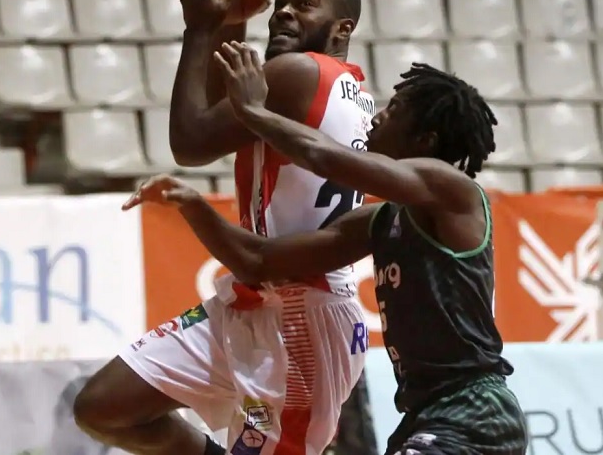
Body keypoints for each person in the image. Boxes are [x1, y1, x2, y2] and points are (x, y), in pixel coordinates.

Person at [131, 44, 528, 455]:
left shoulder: (452, 190)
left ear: (424, 140)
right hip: (426, 413)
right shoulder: (380, 221)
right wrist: (193, 206)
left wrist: (254, 111)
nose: (376, 119)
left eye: (392, 113)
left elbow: (322, 155)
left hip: (473, 410)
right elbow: (260, 261)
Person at [73, 0, 375, 455]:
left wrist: (198, 27)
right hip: (255, 295)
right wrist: (230, 19)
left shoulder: (298, 72)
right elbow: (218, 117)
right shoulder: (342, 86)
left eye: (303, 3)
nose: (283, 11)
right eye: (279, 1)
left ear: (342, 27)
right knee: (104, 407)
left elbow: (191, 142)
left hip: (306, 315)